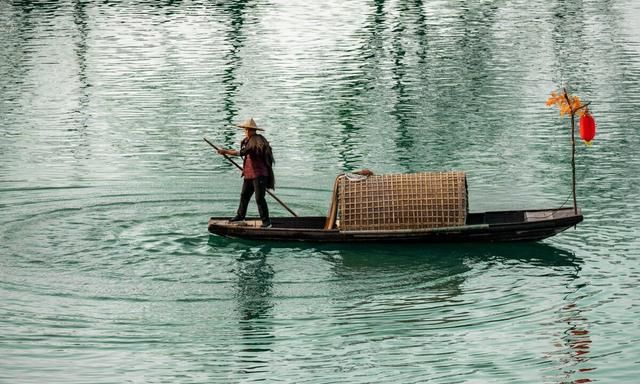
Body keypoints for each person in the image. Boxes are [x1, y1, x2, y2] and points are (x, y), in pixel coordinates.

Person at [217, 118, 275, 228]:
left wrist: (225, 151)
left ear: (254, 130)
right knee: (244, 195)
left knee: (259, 198)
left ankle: (266, 222)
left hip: (259, 175)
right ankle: (240, 216)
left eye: (249, 129)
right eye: (246, 129)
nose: (247, 131)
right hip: (249, 174)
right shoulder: (246, 141)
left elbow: (242, 153)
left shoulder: (257, 140)